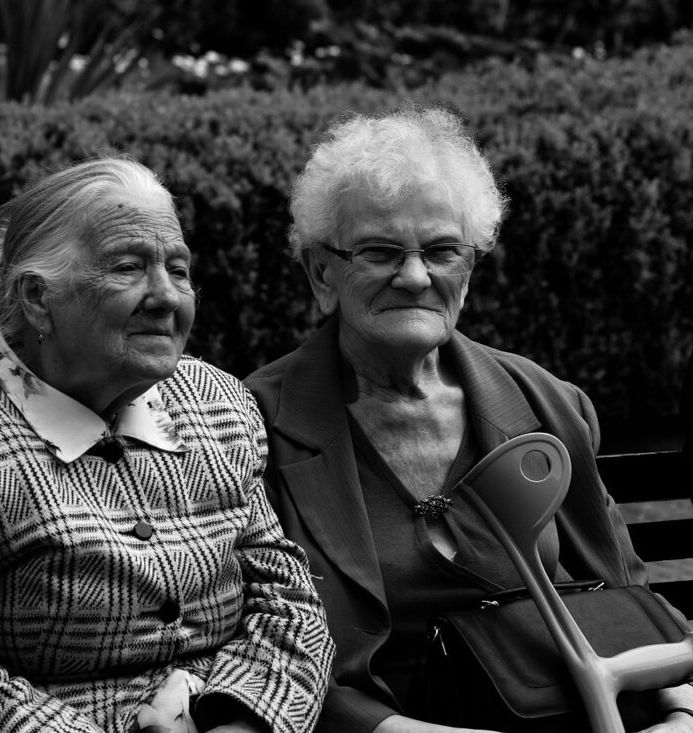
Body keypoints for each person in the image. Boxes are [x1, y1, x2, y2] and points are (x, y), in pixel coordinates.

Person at [243, 107, 693, 733]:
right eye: (378, 252)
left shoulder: (543, 401)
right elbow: (264, 659)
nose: (415, 276)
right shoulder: (253, 425)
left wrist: (679, 713)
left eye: (442, 250)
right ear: (322, 272)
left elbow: (627, 596)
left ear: (470, 268)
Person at [0, 157, 334, 733]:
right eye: (128, 267)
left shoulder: (219, 405)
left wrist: (239, 720)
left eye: (178, 270)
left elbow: (289, 605)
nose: (165, 296)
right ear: (38, 298)